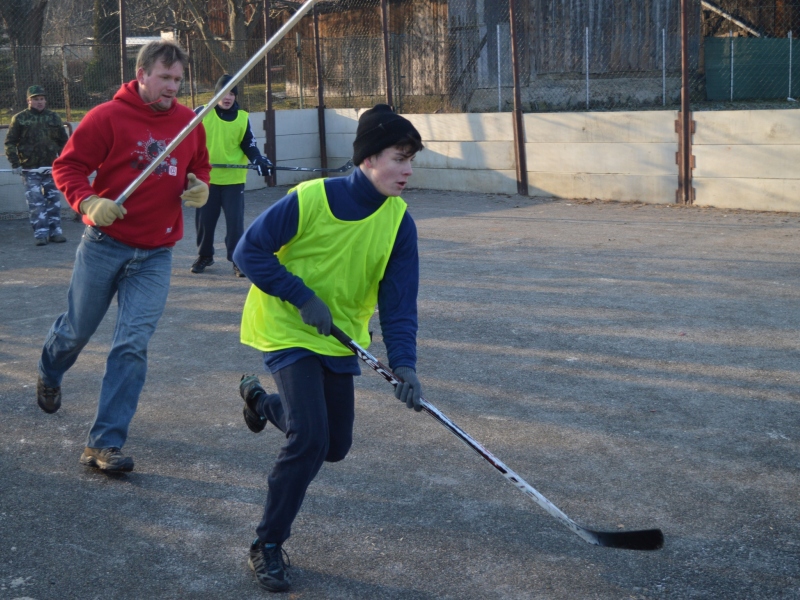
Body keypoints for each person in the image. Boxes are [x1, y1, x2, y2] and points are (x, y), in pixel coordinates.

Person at [232, 104, 425, 593]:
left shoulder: (399, 222)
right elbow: (247, 251)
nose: (407, 170)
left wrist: (405, 365)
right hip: (287, 328)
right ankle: (267, 544)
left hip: (341, 338)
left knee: (334, 446)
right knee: (310, 439)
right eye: (398, 158)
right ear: (368, 158)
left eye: (411, 160)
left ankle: (260, 402)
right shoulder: (310, 198)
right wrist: (300, 295)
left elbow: (398, 302)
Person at [36, 40, 210, 474]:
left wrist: (199, 185)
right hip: (104, 245)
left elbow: (200, 166)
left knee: (131, 345)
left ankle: (103, 443)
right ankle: (50, 370)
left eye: (178, 79)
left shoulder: (191, 123)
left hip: (155, 254)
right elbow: (67, 168)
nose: (173, 86)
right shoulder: (107, 117)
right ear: (142, 74)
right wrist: (89, 202)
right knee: (76, 332)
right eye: (165, 78)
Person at [191, 74, 273, 277]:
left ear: (236, 96)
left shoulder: (243, 118)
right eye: (223, 93)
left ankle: (236, 259)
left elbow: (249, 145)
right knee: (205, 222)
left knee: (235, 223)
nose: (227, 97)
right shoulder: (201, 113)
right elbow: (184, 138)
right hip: (206, 178)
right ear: (215, 94)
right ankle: (204, 256)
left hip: (234, 180)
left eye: (231, 93)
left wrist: (258, 160)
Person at [5, 85, 70, 246]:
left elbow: (64, 142)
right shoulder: (20, 118)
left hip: (50, 167)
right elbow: (10, 142)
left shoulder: (54, 117)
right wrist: (15, 164)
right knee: (36, 202)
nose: (39, 102)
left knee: (53, 200)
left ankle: (55, 232)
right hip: (30, 168)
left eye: (41, 99)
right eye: (35, 99)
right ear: (29, 100)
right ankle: (41, 233)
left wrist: (65, 161)